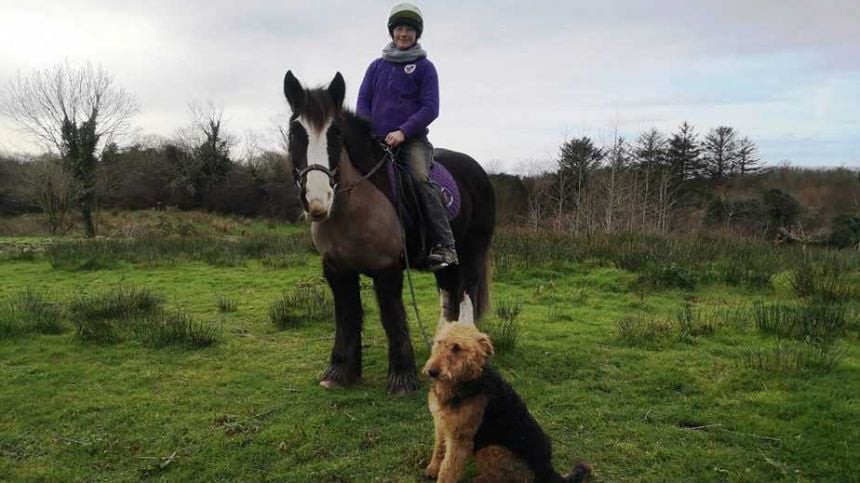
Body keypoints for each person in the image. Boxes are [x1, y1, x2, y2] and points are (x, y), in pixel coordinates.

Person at [356, 2, 458, 270]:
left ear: (417, 34)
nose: (404, 34)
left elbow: (430, 108)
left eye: (410, 30)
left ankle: (445, 246)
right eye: (400, 28)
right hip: (377, 141)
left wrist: (403, 131)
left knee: (420, 180)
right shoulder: (376, 67)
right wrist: (368, 130)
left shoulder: (425, 68)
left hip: (412, 141)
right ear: (392, 32)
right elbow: (363, 102)